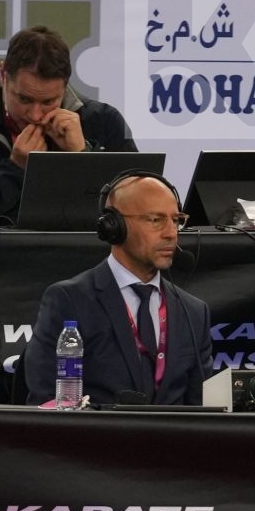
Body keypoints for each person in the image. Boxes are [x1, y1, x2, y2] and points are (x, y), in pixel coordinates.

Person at [23, 171, 212, 406]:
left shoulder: (194, 312)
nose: (171, 233)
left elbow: (203, 409)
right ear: (114, 226)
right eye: (155, 220)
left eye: (176, 220)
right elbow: (45, 397)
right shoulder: (70, 300)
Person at [0, 25, 137, 223]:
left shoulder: (104, 122)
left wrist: (82, 155)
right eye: (24, 99)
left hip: (84, 255)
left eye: (49, 102)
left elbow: (137, 212)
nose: (35, 114)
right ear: (3, 75)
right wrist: (14, 169)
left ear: (65, 85)